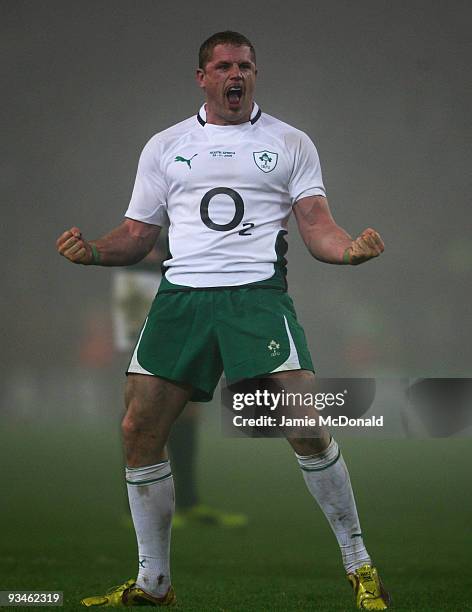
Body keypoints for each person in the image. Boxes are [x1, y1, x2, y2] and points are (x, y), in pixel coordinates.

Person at [56, 31, 389, 609]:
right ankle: (153, 586)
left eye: (246, 66)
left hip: (254, 299)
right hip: (180, 299)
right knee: (139, 430)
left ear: (254, 74)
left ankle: (360, 564)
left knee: (306, 424)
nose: (237, 75)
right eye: (225, 66)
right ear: (203, 77)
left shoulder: (289, 142)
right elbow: (137, 235)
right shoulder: (165, 145)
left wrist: (348, 249)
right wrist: (93, 251)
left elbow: (315, 225)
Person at [112, 238, 248, 527]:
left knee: (187, 406)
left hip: (188, 280)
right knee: (144, 406)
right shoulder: (156, 201)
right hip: (147, 279)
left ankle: (187, 502)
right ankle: (138, 507)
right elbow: (137, 229)